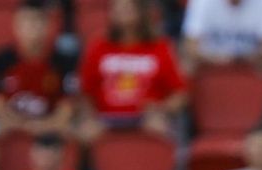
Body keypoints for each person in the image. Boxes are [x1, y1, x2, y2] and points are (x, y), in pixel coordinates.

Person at [77, 0, 189, 137]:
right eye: (116, 9)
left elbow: (180, 95)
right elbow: (85, 92)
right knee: (85, 134)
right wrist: (90, 118)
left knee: (159, 129)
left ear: (140, 13)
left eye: (126, 8)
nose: (120, 13)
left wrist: (161, 109)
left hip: (146, 119)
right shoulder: (98, 48)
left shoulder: (160, 48)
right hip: (105, 119)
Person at [0, 0, 78, 136]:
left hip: (50, 131)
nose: (32, 27)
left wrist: (42, 127)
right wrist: (24, 127)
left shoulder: (64, 63)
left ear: (48, 26)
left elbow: (66, 111)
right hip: (12, 128)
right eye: (27, 22)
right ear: (16, 26)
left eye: (37, 22)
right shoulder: (0, 61)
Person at [180, 0, 262, 75]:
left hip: (252, 62)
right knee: (186, 67)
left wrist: (249, 57)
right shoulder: (202, 2)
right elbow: (190, 47)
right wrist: (215, 58)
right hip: (210, 61)